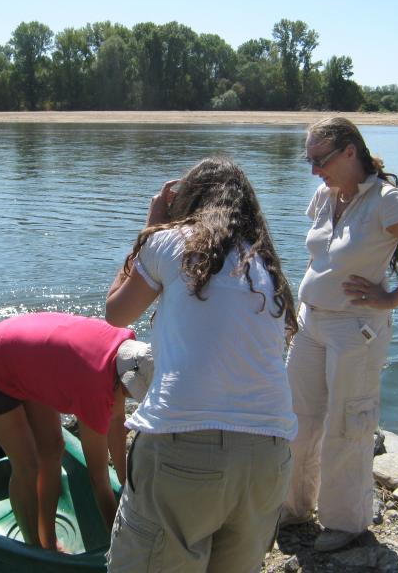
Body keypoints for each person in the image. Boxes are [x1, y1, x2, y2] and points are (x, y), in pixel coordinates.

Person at [104, 157, 298, 573]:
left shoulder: (170, 241)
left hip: (183, 445)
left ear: (186, 202)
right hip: (269, 453)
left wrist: (148, 229)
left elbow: (116, 313)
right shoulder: (265, 266)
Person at [281, 117, 398, 552]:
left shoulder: (385, 201)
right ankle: (292, 509)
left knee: (347, 425)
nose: (313, 170)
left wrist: (391, 298)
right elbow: (318, 259)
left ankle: (346, 523)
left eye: (319, 160)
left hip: (353, 330)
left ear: (349, 152)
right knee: (295, 419)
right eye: (309, 160)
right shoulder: (324, 195)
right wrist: (295, 309)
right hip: (310, 323)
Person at [0, 311, 153, 551]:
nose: (127, 398)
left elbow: (116, 420)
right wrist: (122, 547)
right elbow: (99, 481)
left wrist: (126, 484)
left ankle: (49, 539)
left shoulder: (127, 352)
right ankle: (34, 548)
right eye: (130, 392)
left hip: (26, 361)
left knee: (52, 449)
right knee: (27, 465)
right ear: (122, 381)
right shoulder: (94, 387)